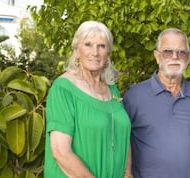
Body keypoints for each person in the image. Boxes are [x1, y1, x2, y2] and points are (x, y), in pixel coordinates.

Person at [44, 21, 131, 178]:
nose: (95, 52)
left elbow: (123, 136)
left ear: (108, 54)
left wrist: (127, 173)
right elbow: (61, 153)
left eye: (102, 46)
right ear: (77, 51)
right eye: (88, 45)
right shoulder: (63, 89)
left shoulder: (112, 90)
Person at [122, 28, 190, 178]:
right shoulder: (134, 96)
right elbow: (121, 142)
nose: (175, 57)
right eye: (168, 51)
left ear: (189, 57)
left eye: (181, 52)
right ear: (157, 56)